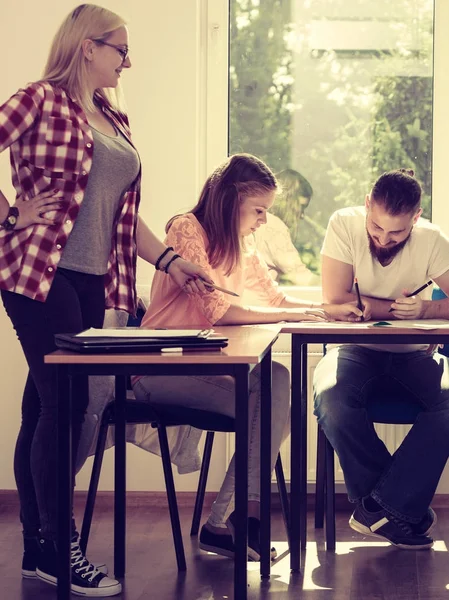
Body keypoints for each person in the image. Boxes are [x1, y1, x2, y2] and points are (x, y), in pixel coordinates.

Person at [0, 4, 212, 597]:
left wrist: (171, 261)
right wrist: (13, 216)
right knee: (66, 407)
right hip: (40, 273)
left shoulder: (110, 116)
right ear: (86, 47)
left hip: (93, 280)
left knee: (45, 410)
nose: (127, 59)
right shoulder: (38, 99)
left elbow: (121, 215)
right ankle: (58, 549)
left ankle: (37, 549)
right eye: (120, 48)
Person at [132, 153, 363, 561]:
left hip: (207, 367)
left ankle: (230, 522)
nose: (263, 220)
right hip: (161, 366)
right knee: (269, 406)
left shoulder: (244, 244)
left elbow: (274, 299)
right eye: (259, 210)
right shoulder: (186, 229)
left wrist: (325, 310)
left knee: (275, 381)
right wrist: (298, 312)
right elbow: (216, 309)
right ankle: (235, 522)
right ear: (230, 199)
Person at [314, 168, 449, 551]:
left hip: (415, 355)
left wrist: (424, 309)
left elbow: (356, 303)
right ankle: (403, 511)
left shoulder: (432, 239)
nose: (383, 239)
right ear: (367, 204)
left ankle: (379, 509)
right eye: (376, 227)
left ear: (416, 218)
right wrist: (389, 306)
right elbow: (337, 301)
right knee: (332, 400)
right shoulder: (343, 223)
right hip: (353, 352)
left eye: (396, 233)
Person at [254, 168, 315, 285]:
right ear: (289, 201)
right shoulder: (273, 227)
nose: (301, 215)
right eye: (301, 207)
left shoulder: (259, 224)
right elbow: (301, 276)